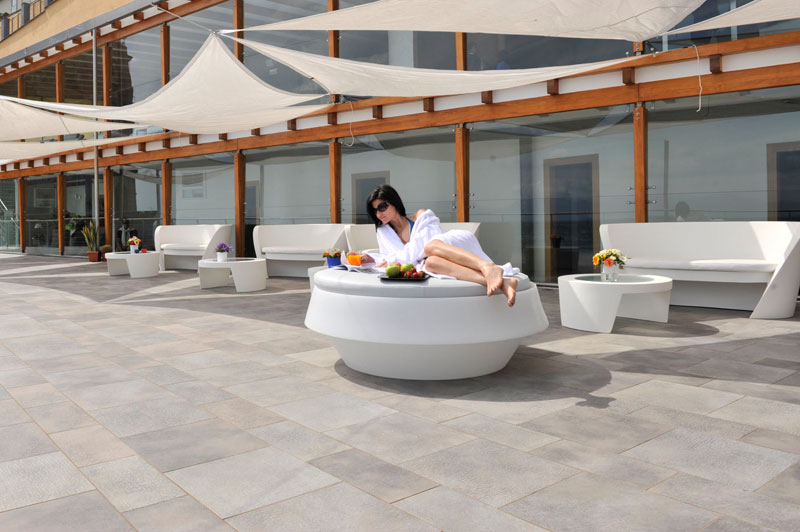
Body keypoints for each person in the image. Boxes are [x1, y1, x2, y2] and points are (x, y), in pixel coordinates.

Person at [365, 184, 519, 306]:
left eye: (382, 207)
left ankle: (487, 266)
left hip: (451, 244)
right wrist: (371, 258)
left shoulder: (420, 215)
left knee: (430, 247)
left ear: (394, 202)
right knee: (431, 263)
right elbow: (389, 258)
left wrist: (398, 258)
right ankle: (504, 283)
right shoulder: (383, 232)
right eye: (375, 211)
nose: (379, 213)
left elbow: (428, 242)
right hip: (431, 257)